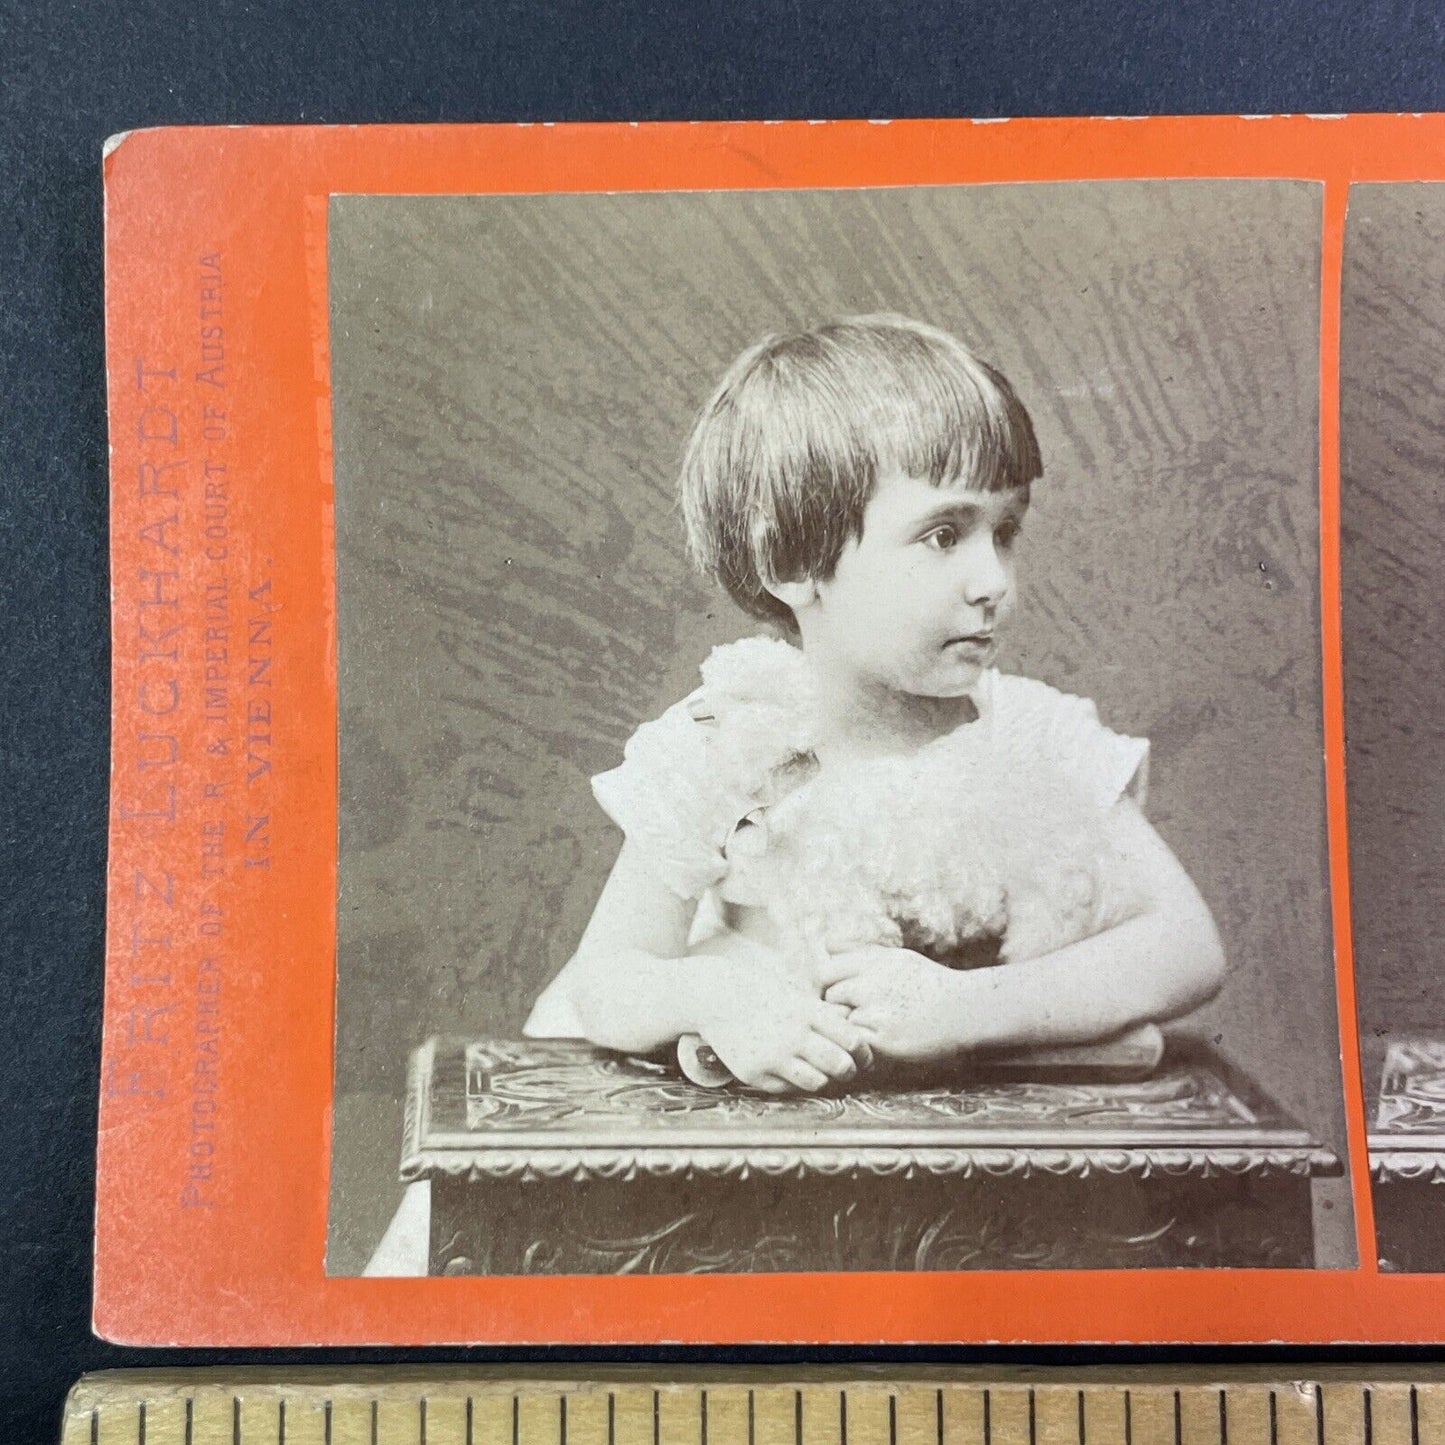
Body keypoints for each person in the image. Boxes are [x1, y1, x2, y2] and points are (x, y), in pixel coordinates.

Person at [524, 314, 1225, 1095]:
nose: (992, 579)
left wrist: (967, 1007)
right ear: (790, 559)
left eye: (1004, 532)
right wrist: (711, 995)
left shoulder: (1030, 734)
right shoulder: (730, 740)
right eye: (942, 535)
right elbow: (607, 977)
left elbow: (1185, 946)